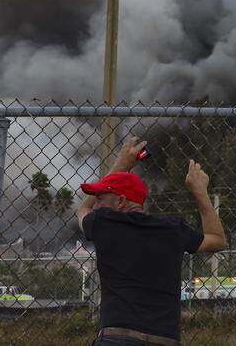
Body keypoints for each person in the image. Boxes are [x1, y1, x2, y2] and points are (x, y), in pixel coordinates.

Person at [76, 135, 227, 346]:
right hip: (163, 339)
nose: (97, 204)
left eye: (101, 197)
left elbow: (83, 209)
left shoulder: (103, 223)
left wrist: (122, 165)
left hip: (117, 338)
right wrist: (200, 191)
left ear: (120, 201)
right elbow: (218, 240)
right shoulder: (173, 229)